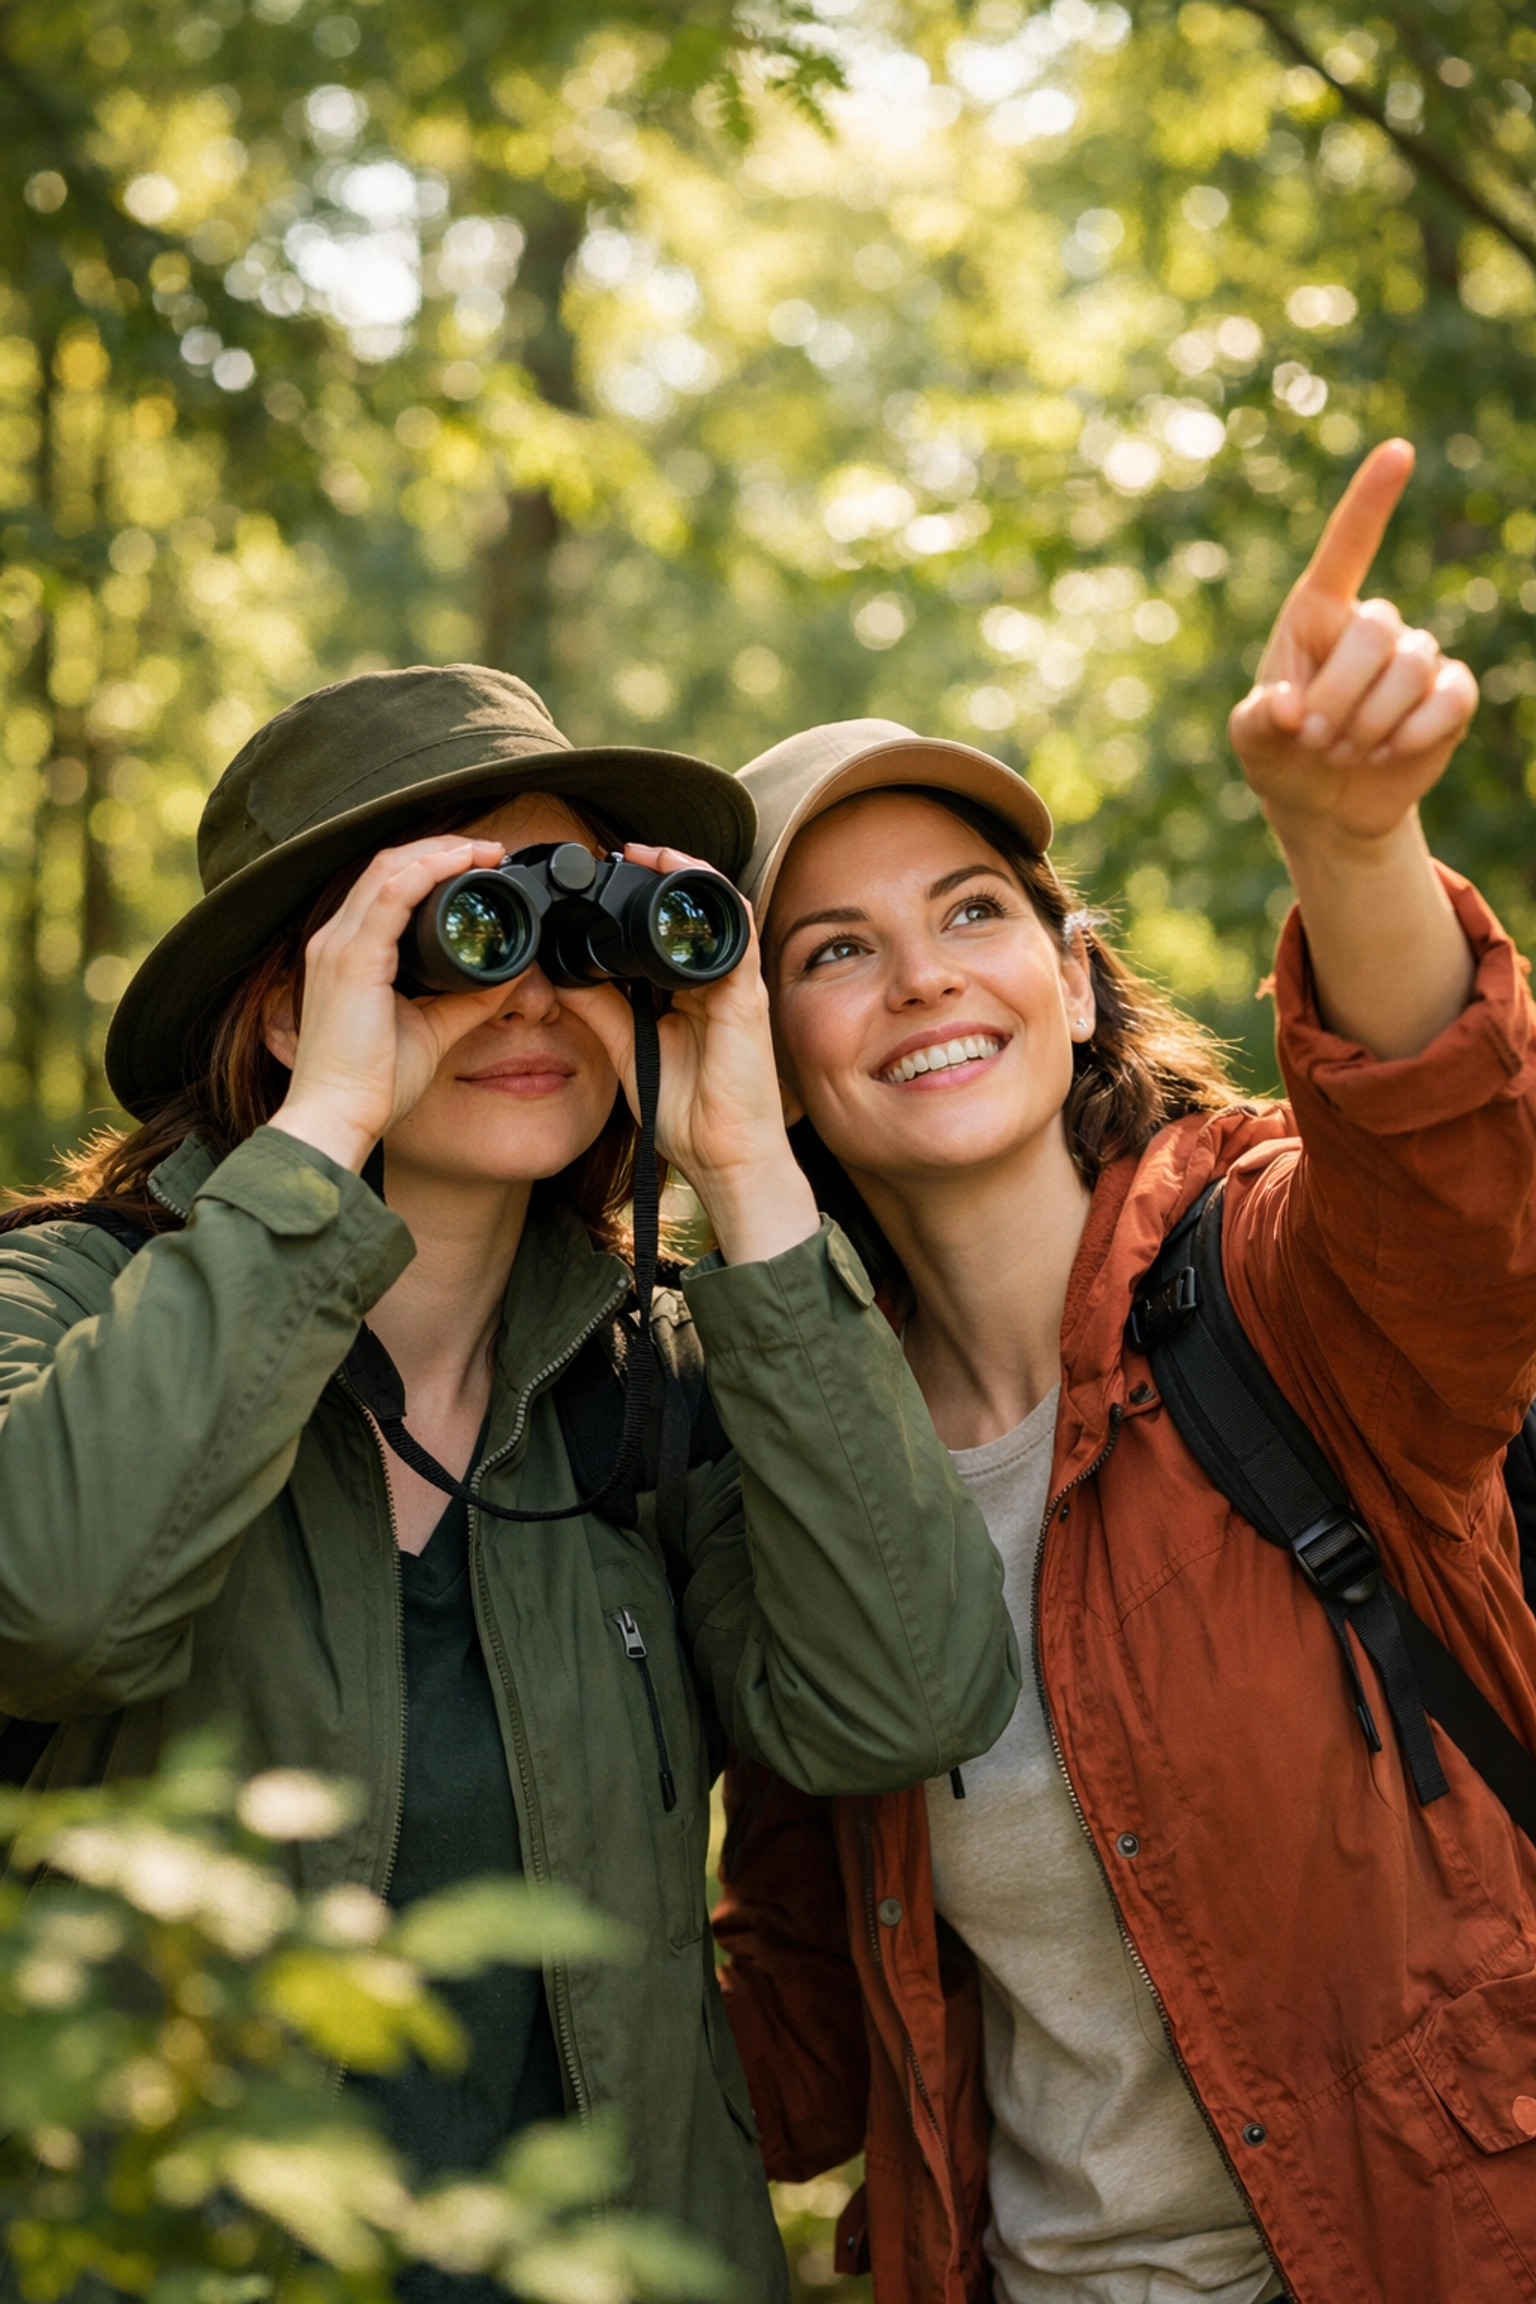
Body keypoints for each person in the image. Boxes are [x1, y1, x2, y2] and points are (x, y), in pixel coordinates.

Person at [0, 665, 1020, 2301]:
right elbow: (49, 1606)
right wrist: (331, 1117)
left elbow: (908, 1698)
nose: (530, 994)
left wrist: (750, 1172)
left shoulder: (659, 1387)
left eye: (575, 926)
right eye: (459, 924)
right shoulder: (56, 1313)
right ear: (283, 997)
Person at [712, 441, 1536, 2304]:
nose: (924, 978)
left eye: (973, 911)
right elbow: (800, 2055)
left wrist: (1352, 839)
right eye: (835, 949)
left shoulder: (1266, 1275)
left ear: (1074, 979)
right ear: (760, 1056)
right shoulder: (791, 1460)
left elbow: (1447, 1195)